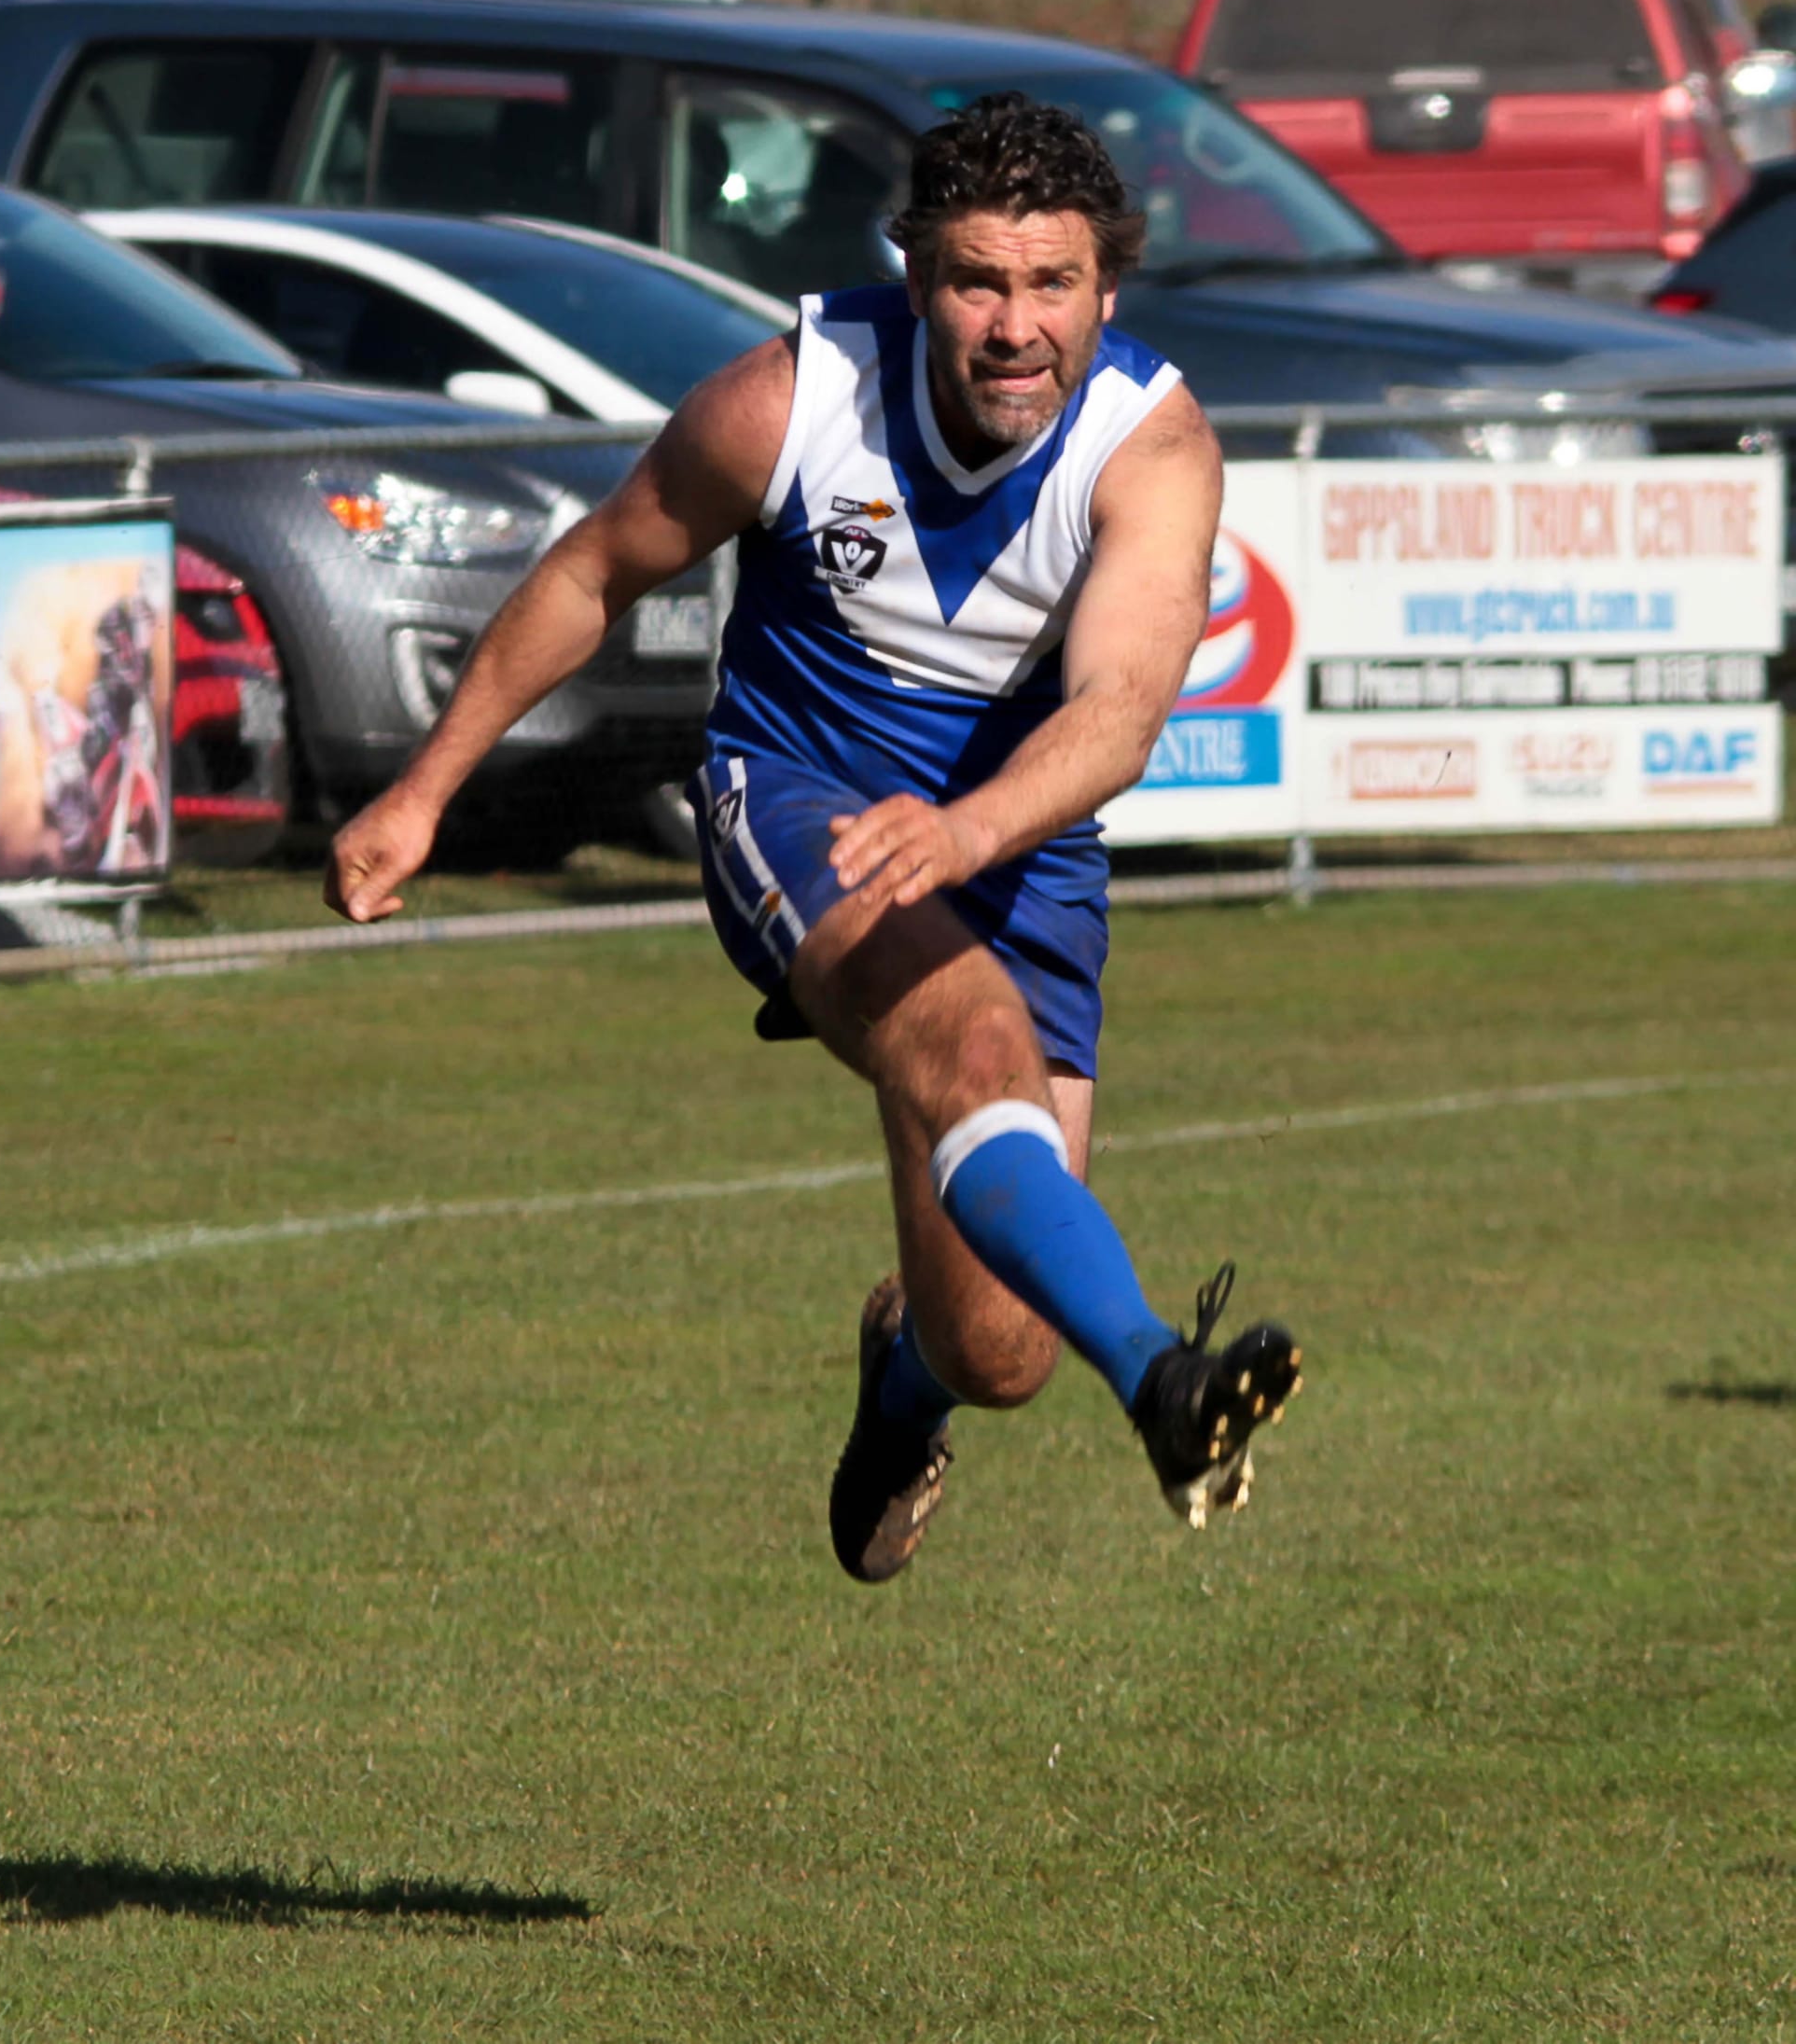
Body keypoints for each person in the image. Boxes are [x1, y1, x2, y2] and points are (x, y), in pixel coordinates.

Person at [325, 93, 1303, 1585]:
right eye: (978, 281)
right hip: (800, 803)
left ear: (1108, 286)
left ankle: (906, 1379)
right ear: (916, 279)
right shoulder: (792, 400)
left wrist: (970, 830)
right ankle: (1170, 1383)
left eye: (1054, 286)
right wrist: (425, 789)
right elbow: (594, 571)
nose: (1015, 327)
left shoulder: (1152, 446)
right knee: (974, 1055)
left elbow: (1115, 714)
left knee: (1003, 1345)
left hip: (1013, 843)